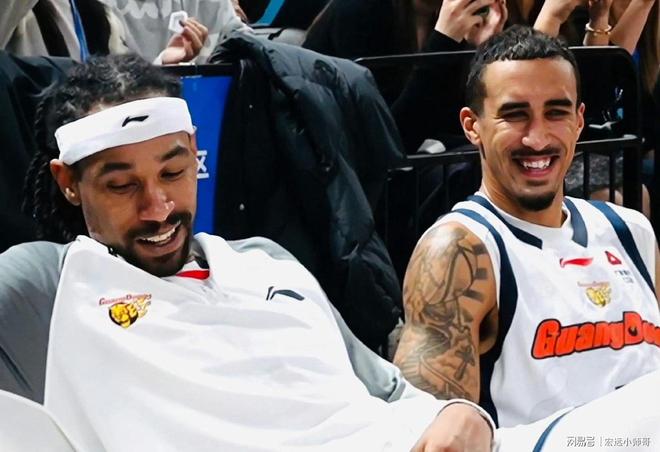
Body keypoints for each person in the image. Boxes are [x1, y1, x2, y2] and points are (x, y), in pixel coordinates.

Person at [1, 53, 493, 451]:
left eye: (173, 173)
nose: (158, 208)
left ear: (195, 152)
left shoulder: (265, 260)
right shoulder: (43, 289)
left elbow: (388, 391)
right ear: (67, 182)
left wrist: (460, 415)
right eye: (122, 185)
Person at [393, 25, 660, 428]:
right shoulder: (459, 250)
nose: (537, 138)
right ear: (472, 125)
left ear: (579, 120)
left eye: (556, 112)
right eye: (515, 114)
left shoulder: (631, 230)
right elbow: (428, 431)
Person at [1, 0, 208, 64]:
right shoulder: (18, 10)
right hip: (29, 144)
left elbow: (117, 89)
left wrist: (163, 63)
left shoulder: (97, 13)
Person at [100, 0, 250, 62]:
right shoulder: (96, 8)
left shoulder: (214, 3)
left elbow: (251, 47)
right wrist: (162, 65)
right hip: (131, 111)